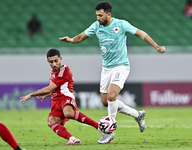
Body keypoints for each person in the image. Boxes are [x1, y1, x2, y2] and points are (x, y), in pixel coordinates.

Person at [59, 1, 166, 144]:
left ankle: (109, 133)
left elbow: (141, 33)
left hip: (121, 66)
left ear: (109, 14)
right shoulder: (96, 26)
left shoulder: (121, 24)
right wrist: (71, 40)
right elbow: (81, 36)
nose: (98, 18)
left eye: (100, 15)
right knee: (106, 101)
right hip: (106, 69)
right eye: (97, 15)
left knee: (111, 96)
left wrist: (156, 46)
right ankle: (137, 114)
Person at [20, 49, 105, 145]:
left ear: (61, 59)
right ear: (48, 61)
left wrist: (31, 94)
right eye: (51, 62)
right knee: (51, 121)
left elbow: (49, 88)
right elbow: (56, 89)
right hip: (56, 101)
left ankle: (99, 127)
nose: (54, 64)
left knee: (68, 113)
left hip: (65, 97)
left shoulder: (64, 71)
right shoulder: (54, 72)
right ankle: (72, 139)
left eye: (56, 61)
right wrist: (48, 94)